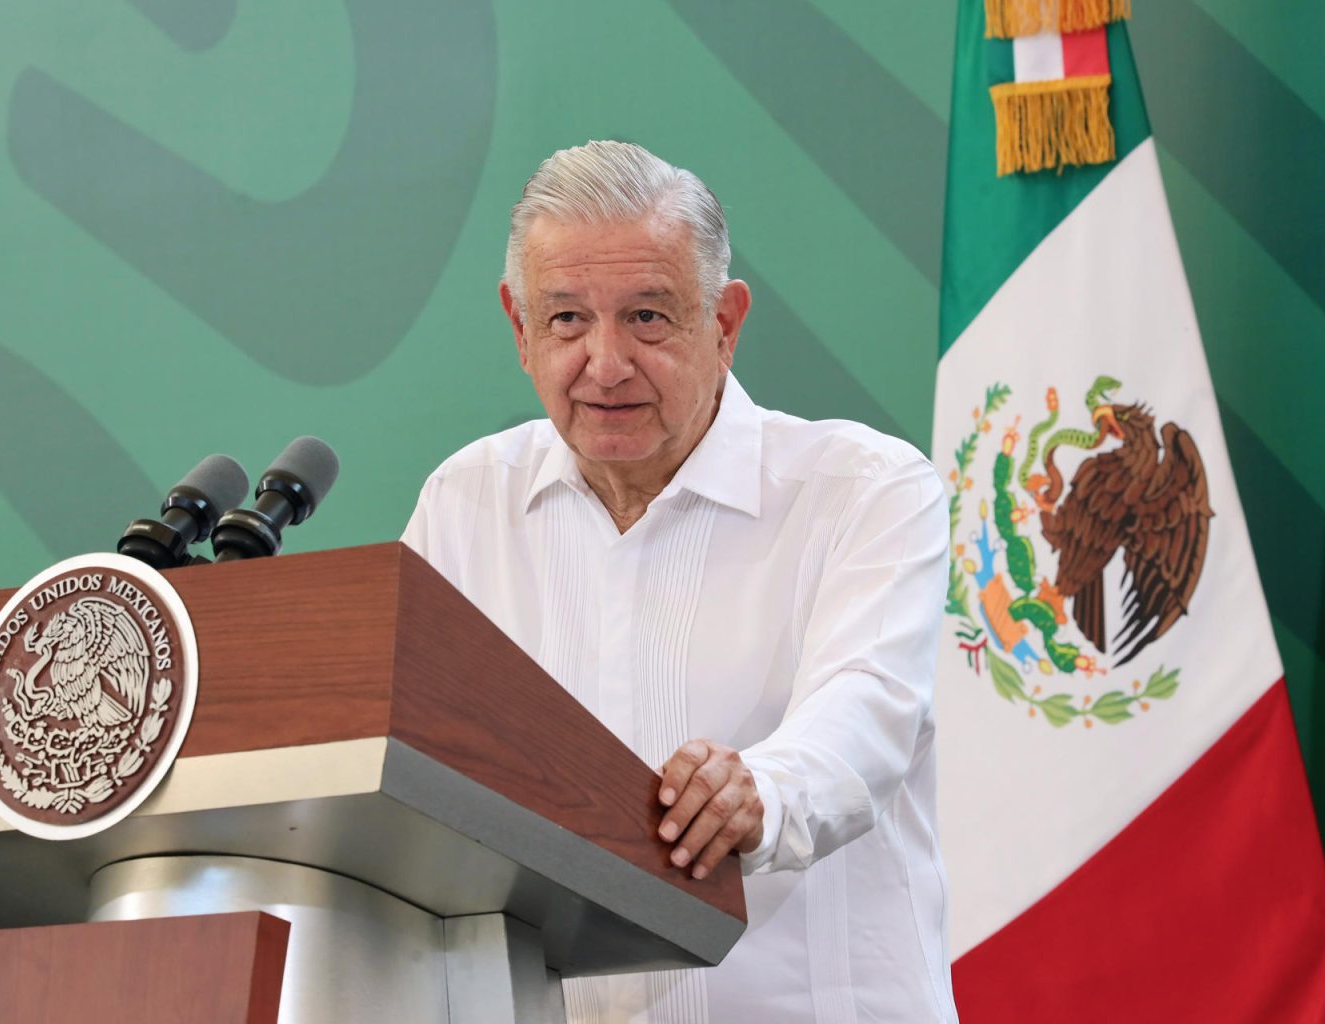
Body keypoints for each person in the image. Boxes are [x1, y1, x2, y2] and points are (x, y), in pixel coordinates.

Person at [402, 140, 957, 1023]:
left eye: (649, 318)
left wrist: (760, 791)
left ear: (725, 323)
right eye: (567, 321)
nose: (607, 362)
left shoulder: (865, 489)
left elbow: (868, 712)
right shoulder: (465, 504)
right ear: (519, 328)